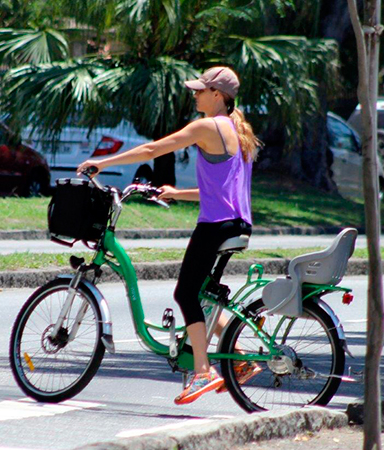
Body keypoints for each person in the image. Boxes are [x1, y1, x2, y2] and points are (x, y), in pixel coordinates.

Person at [77, 66, 261, 404]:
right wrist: (176, 193)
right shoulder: (237, 130)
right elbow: (220, 191)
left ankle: (203, 372)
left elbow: (151, 150)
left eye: (200, 91)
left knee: (185, 294)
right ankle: (242, 357)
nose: (194, 95)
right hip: (236, 223)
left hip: (216, 226)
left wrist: (102, 163)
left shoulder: (208, 126)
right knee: (204, 297)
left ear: (217, 96)